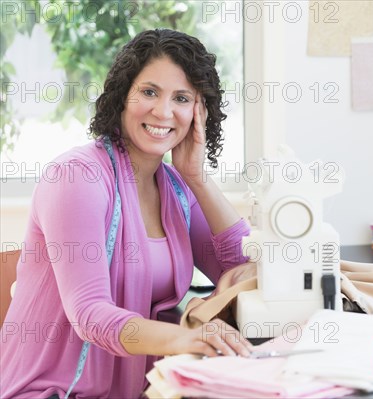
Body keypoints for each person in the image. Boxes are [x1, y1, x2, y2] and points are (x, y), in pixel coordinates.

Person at [0, 29, 253, 399]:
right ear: (122, 95)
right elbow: (90, 314)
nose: (162, 112)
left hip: (138, 387)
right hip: (53, 390)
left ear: (198, 114)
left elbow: (243, 270)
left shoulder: (176, 189)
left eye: (181, 98)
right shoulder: (76, 177)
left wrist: (198, 178)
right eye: (149, 92)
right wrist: (185, 338)